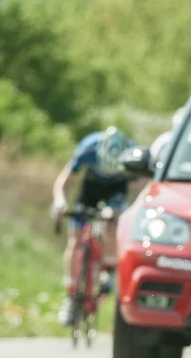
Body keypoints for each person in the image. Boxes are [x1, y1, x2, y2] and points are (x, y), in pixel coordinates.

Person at [51, 126, 139, 325]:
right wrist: (60, 202)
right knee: (75, 240)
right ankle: (72, 295)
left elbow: (135, 190)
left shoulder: (131, 154)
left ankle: (108, 267)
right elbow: (64, 180)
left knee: (111, 223)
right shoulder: (89, 148)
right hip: (90, 190)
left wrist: (126, 212)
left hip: (116, 192)